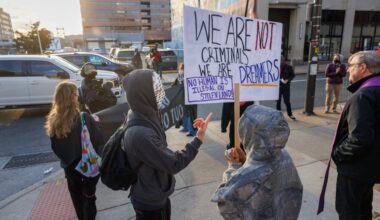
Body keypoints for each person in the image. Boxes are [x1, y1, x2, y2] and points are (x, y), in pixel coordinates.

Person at [122, 69, 212, 220]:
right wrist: (198, 139)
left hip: (154, 193)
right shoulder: (140, 133)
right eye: (156, 89)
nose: (160, 93)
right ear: (143, 94)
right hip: (150, 203)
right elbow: (174, 162)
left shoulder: (143, 113)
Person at [212, 104, 303, 219]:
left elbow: (226, 205)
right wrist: (246, 160)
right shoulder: (284, 155)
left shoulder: (246, 176)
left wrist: (233, 167)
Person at [45, 81, 104, 220]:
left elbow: (55, 146)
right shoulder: (83, 117)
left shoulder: (53, 120)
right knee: (89, 197)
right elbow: (98, 139)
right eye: (76, 94)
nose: (77, 97)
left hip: (69, 167)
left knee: (77, 198)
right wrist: (96, 123)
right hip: (87, 164)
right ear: (72, 97)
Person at [331, 51, 380, 219]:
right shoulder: (375, 89)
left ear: (363, 68)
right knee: (363, 210)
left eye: (351, 67)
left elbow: (360, 138)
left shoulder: (363, 96)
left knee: (349, 213)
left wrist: (338, 154)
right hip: (370, 168)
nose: (348, 71)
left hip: (355, 169)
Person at [172, 63, 197, 136]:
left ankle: (192, 131)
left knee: (191, 115)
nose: (180, 70)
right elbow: (174, 86)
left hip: (190, 100)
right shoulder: (179, 77)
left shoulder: (189, 76)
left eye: (182, 69)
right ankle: (185, 127)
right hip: (182, 99)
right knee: (184, 114)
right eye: (180, 69)